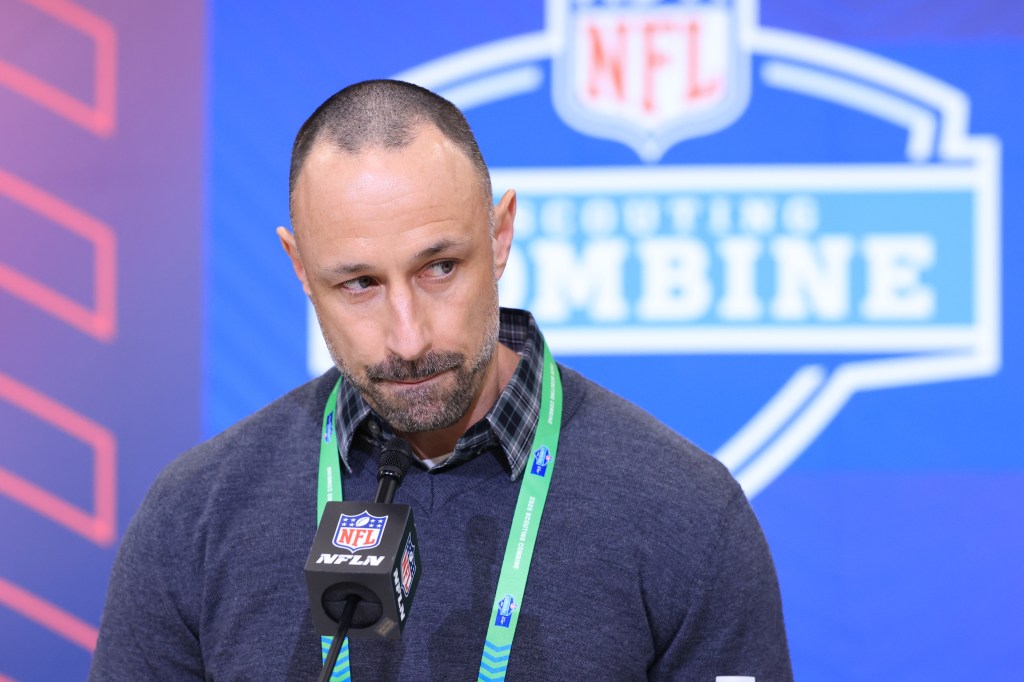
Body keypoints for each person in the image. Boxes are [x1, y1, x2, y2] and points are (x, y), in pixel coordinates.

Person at [90, 79, 792, 681]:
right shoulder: (196, 516)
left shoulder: (686, 513)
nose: (409, 338)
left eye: (440, 268)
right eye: (359, 283)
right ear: (301, 269)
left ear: (500, 235)